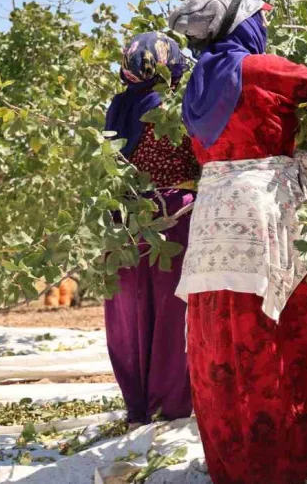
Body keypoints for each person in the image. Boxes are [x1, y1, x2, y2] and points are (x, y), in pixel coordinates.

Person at [167, 0, 307, 484]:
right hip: (265, 216)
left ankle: (234, 462)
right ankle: (287, 462)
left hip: (213, 220)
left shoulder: (198, 83)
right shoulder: (257, 68)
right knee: (280, 333)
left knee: (224, 334)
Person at [102, 32, 197, 426]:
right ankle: (171, 405)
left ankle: (139, 406)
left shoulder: (118, 107)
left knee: (131, 316)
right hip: (173, 219)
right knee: (173, 315)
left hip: (124, 223)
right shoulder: (174, 107)